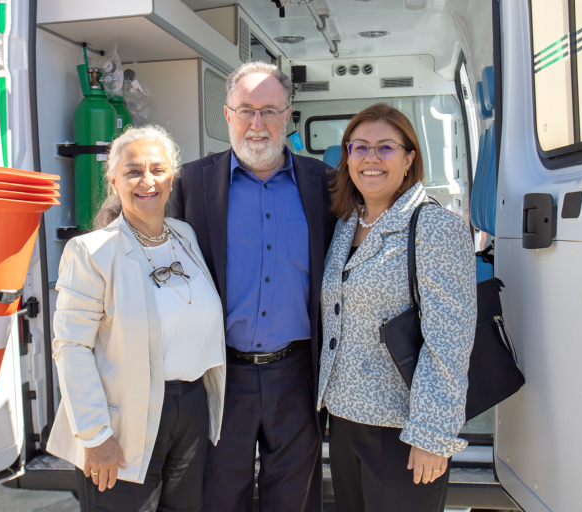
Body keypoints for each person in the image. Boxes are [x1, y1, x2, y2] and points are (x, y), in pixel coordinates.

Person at [171, 61, 336, 512]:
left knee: (295, 500)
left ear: (287, 115)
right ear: (227, 115)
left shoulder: (324, 185)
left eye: (268, 110)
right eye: (245, 110)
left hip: (297, 375)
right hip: (222, 375)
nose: (256, 124)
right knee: (220, 498)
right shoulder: (190, 183)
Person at [46, 125, 226, 512]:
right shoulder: (91, 252)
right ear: (113, 179)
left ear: (172, 177)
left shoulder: (184, 235)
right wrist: (95, 436)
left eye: (158, 169)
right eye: (133, 171)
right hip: (125, 417)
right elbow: (71, 347)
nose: (148, 181)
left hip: (189, 410)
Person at [317, 103, 476, 511]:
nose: (371, 158)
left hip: (403, 430)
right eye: (359, 147)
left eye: (386, 147)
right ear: (347, 157)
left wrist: (431, 435)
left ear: (409, 159)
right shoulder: (346, 225)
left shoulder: (435, 227)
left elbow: (449, 341)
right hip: (346, 421)